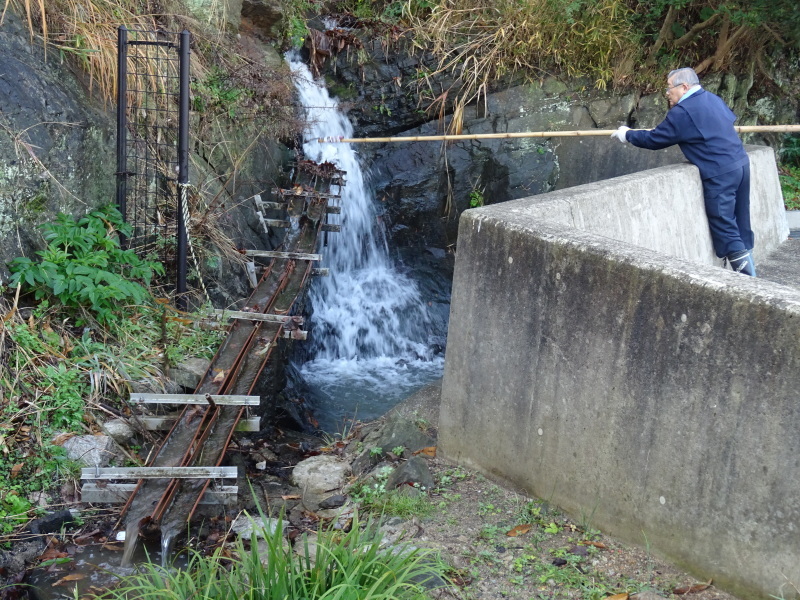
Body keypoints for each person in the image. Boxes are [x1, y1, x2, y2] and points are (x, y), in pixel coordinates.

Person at [610, 67, 756, 276]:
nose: (667, 93)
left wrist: (627, 135)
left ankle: (752, 288)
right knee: (741, 221)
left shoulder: (683, 111)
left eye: (670, 88)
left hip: (720, 172)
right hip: (740, 165)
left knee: (725, 226)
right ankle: (753, 278)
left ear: (685, 87)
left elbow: (655, 139)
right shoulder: (712, 99)